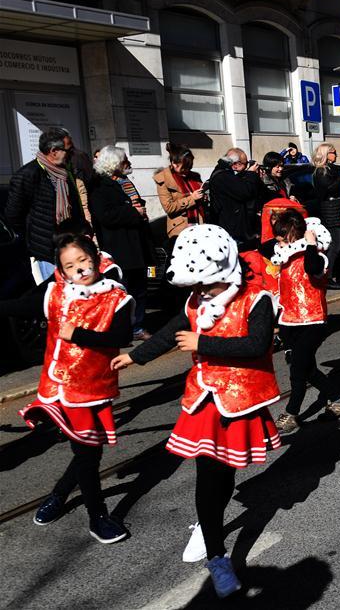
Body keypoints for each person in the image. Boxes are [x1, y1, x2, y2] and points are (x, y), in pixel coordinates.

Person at [112, 224, 282, 598]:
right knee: (207, 475)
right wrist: (134, 357)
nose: (198, 294)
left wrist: (203, 341)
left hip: (239, 403)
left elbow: (256, 345)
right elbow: (171, 332)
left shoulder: (258, 300)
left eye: (204, 286)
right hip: (204, 403)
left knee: (224, 475)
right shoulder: (195, 301)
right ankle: (217, 554)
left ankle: (209, 527)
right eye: (195, 288)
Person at [2, 233, 133, 543]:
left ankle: (59, 496)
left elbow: (121, 337)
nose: (79, 269)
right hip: (57, 388)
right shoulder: (54, 293)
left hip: (92, 388)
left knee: (90, 450)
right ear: (60, 269)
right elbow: (17, 306)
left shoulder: (116, 296)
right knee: (87, 452)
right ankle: (97, 516)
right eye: (69, 265)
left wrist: (78, 334)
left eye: (84, 261)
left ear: (96, 260)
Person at [269, 210, 340, 435]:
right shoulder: (283, 257)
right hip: (288, 320)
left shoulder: (317, 256)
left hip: (312, 320)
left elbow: (312, 268)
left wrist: (310, 243)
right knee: (306, 367)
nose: (277, 239)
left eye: (282, 234)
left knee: (298, 370)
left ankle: (292, 413)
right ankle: (338, 401)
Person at [89, 146, 153, 341]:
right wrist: (134, 212)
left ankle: (137, 326)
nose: (129, 164)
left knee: (139, 289)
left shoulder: (124, 182)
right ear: (114, 164)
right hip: (120, 247)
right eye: (124, 161)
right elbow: (105, 216)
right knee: (121, 290)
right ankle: (121, 329)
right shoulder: (100, 187)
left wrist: (138, 211)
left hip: (137, 245)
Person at [6, 127, 85, 282]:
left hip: (70, 244)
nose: (72, 153)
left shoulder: (64, 173)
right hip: (47, 251)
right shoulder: (28, 174)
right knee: (56, 295)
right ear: (54, 151)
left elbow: (74, 206)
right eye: (69, 150)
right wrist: (36, 239)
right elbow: (13, 216)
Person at [311, 143, 340, 290]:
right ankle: (328, 276)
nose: (336, 155)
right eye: (333, 152)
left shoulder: (334, 168)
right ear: (325, 154)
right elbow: (330, 189)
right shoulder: (320, 171)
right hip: (330, 209)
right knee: (335, 244)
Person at [205, 148, 263, 250]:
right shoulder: (223, 177)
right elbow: (245, 192)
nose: (246, 167)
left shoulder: (226, 175)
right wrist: (251, 174)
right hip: (231, 232)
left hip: (234, 229)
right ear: (235, 164)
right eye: (245, 164)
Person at [154, 143, 205, 240]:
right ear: (174, 163)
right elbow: (169, 208)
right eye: (184, 168)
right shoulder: (162, 179)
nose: (187, 171)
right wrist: (191, 199)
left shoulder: (194, 176)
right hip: (180, 229)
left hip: (199, 224)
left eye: (189, 167)